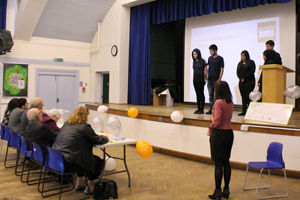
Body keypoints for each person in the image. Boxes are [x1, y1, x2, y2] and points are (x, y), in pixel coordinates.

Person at [52, 107, 109, 195]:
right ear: (85, 116)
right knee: (96, 161)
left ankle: (79, 184)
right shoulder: (85, 127)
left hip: (57, 159)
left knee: (81, 157)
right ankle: (89, 188)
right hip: (69, 162)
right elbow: (98, 140)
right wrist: (105, 137)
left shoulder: (66, 124)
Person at [207, 81, 234, 200]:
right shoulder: (230, 102)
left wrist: (210, 127)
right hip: (229, 133)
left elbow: (217, 121)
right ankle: (226, 189)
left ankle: (217, 191)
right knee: (226, 162)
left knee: (218, 164)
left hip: (219, 135)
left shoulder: (218, 102)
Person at [205, 44, 224, 114]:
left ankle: (217, 109)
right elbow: (207, 68)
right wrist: (206, 76)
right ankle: (211, 108)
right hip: (210, 79)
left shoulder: (220, 58)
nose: (210, 52)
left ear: (215, 51)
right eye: (209, 51)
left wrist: (220, 78)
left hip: (216, 80)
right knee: (211, 95)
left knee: (217, 95)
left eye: (211, 51)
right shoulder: (209, 58)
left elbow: (222, 69)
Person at [236, 50, 256, 116]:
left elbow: (252, 71)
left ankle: (250, 111)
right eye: (242, 56)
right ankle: (244, 111)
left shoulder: (251, 62)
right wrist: (240, 78)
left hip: (249, 81)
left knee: (248, 97)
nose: (243, 57)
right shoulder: (240, 63)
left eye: (244, 56)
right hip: (241, 82)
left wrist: (244, 77)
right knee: (243, 96)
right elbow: (237, 72)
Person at [192, 48, 206, 114]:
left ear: (198, 54)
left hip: (200, 80)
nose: (194, 55)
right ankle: (198, 108)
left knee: (201, 94)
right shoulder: (194, 61)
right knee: (197, 94)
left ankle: (202, 109)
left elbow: (205, 71)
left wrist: (205, 79)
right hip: (195, 80)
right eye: (193, 54)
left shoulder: (203, 61)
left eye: (195, 54)